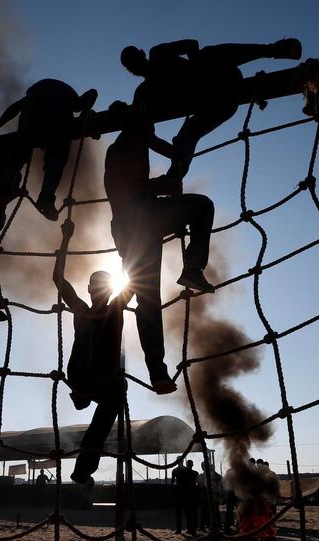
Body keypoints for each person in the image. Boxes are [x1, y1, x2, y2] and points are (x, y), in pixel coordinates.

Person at [104, 112, 215, 394]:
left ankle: (158, 372)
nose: (152, 133)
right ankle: (192, 268)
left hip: (133, 228)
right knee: (202, 206)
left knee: (148, 299)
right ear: (139, 127)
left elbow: (165, 153)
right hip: (142, 219)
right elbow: (127, 190)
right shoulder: (121, 150)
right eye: (149, 128)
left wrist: (174, 157)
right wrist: (161, 184)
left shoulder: (131, 144)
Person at [120, 38, 302, 179]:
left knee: (209, 54)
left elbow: (192, 44)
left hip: (220, 73)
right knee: (188, 133)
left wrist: (195, 67)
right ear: (131, 70)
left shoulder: (158, 54)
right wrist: (119, 110)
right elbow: (135, 117)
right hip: (219, 105)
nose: (136, 66)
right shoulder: (144, 92)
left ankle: (274, 49)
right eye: (131, 65)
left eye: (135, 60)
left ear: (141, 55)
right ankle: (175, 177)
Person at [53, 221, 135, 485]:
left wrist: (128, 247)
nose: (97, 289)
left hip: (92, 379)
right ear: (90, 289)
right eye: (94, 285)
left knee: (114, 399)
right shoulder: (89, 309)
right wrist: (65, 240)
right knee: (115, 396)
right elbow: (59, 280)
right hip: (91, 378)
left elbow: (132, 281)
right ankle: (84, 465)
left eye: (100, 285)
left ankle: (83, 467)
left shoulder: (109, 308)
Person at [0, 79, 98, 220]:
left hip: (34, 100)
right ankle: (46, 198)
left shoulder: (41, 92)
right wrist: (84, 113)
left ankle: (3, 188)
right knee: (57, 153)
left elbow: (16, 107)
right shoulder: (71, 100)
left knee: (21, 147)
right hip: (57, 102)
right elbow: (93, 93)